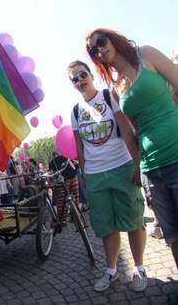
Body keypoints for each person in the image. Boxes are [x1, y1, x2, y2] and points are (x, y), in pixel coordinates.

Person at [86, 29, 178, 270]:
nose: (100, 50)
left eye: (101, 42)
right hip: (152, 169)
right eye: (93, 50)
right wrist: (137, 165)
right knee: (173, 235)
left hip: (176, 154)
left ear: (112, 38)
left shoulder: (146, 55)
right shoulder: (117, 89)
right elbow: (131, 131)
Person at [68, 59, 148, 292]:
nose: (80, 80)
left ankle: (139, 267)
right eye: (74, 78)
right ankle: (111, 271)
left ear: (90, 74)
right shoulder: (75, 111)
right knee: (106, 226)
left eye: (82, 75)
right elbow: (80, 148)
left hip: (121, 167)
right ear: (71, 84)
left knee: (134, 220)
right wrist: (85, 177)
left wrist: (136, 165)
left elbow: (125, 129)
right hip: (95, 175)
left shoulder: (108, 96)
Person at [49, 151, 79, 221]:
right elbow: (75, 166)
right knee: (76, 197)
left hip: (64, 180)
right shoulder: (67, 156)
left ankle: (63, 220)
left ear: (53, 156)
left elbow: (52, 174)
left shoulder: (52, 162)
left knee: (62, 201)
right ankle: (76, 217)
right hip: (74, 176)